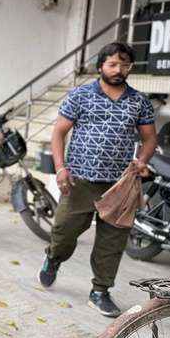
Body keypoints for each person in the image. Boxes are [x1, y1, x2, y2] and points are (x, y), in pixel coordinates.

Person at [38, 42, 157, 317]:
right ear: (101, 65)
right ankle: (54, 258)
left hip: (120, 185)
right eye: (113, 64)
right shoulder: (80, 95)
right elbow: (58, 133)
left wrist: (142, 161)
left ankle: (100, 290)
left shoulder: (139, 101)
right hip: (80, 180)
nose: (119, 70)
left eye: (124, 65)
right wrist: (60, 168)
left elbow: (149, 138)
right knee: (65, 232)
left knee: (112, 241)